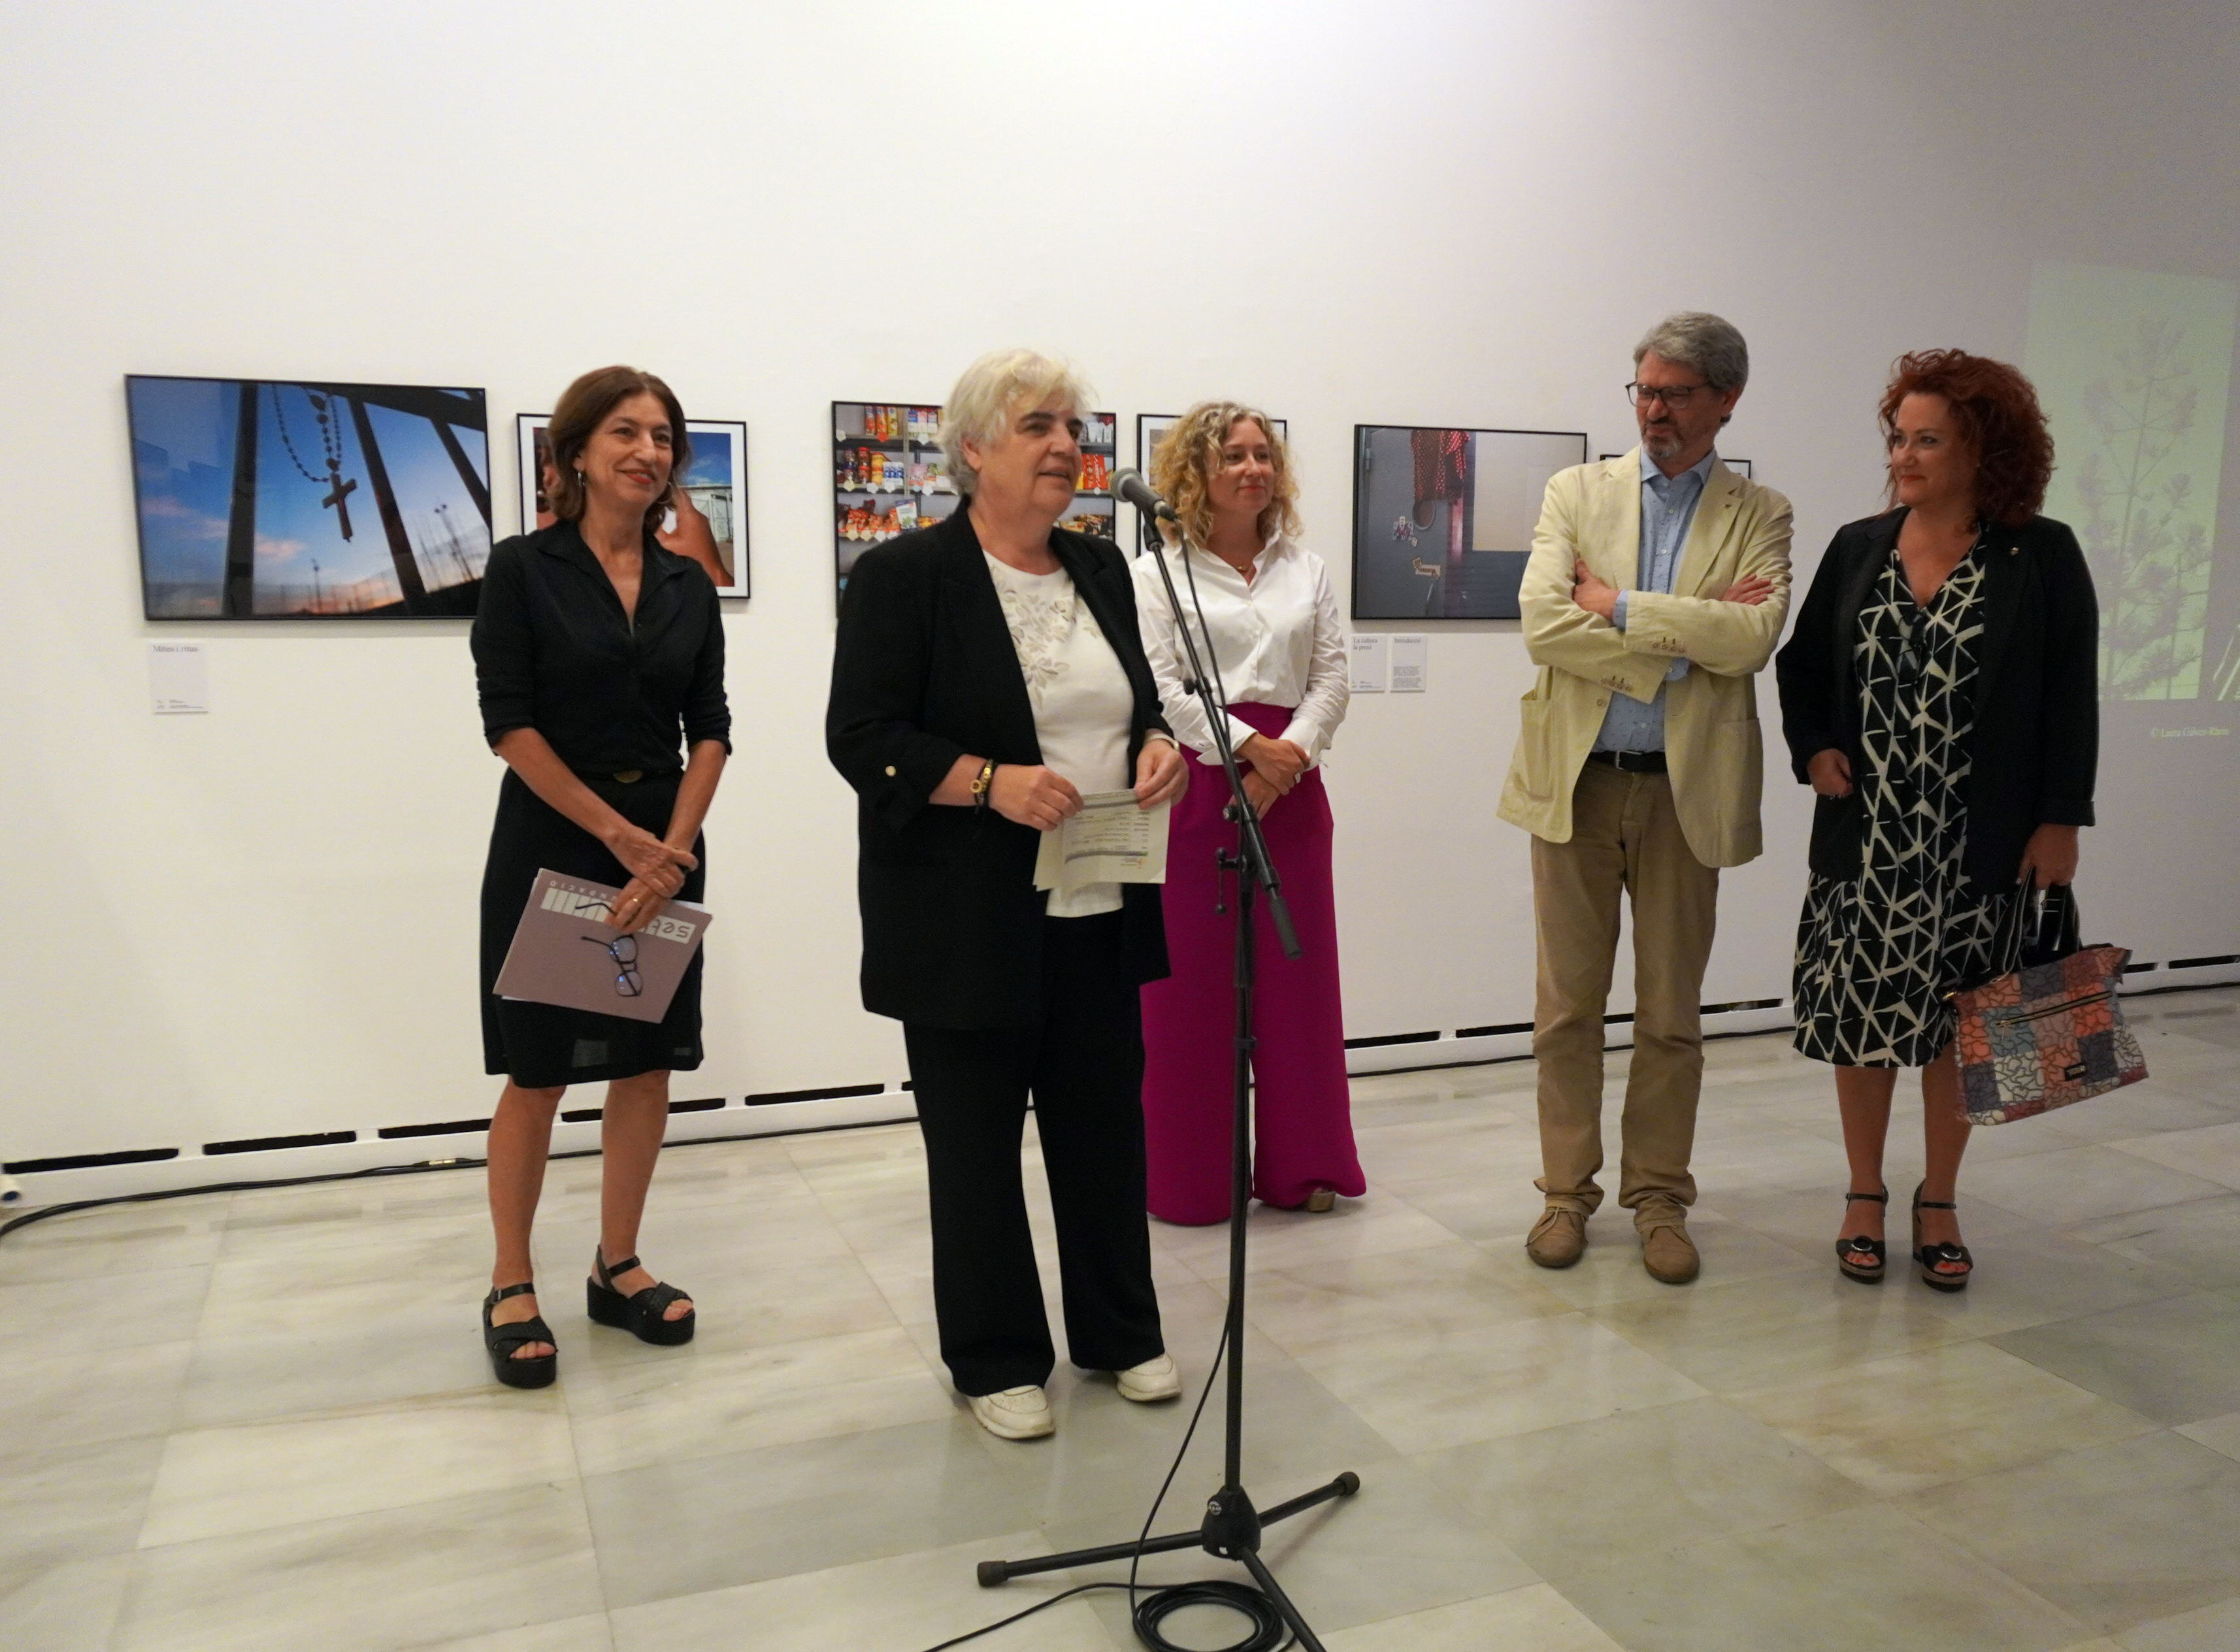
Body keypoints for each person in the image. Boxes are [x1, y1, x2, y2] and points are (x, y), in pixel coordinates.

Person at [825, 349, 1191, 1440]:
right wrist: (991, 783)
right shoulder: (905, 576)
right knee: (976, 1150)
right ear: (974, 449)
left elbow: (1139, 702)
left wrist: (1159, 744)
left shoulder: (1102, 567)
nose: (1066, 445)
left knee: (1103, 1132)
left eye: (1073, 427)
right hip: (963, 918)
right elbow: (862, 737)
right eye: (1038, 426)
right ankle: (993, 1355)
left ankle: (1119, 1332)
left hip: (1098, 899)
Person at [1777, 349, 2096, 1292]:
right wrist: (1814, 748)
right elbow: (1802, 667)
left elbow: (2069, 697)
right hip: (1868, 839)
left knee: (1966, 1026)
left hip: (1980, 841)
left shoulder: (2041, 555)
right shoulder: (1857, 546)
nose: (1902, 457)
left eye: (1927, 440)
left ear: (1982, 450)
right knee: (1862, 1019)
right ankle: (1863, 1192)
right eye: (1897, 438)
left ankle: (1940, 1200)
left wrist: (2061, 819)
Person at [1497, 311, 1794, 1284]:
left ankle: (1659, 1197)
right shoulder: (1576, 492)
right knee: (1565, 1010)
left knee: (1670, 1014)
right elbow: (1542, 625)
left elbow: (1752, 641)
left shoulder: (1760, 512)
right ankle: (1563, 1194)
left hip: (1684, 793)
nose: (1653, 410)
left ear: (1725, 400)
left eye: (1674, 394)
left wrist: (1618, 606)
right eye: (1644, 391)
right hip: (1576, 784)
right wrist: (1677, 646)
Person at [470, 366, 729, 1387]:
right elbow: (510, 726)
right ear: (574, 452)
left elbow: (711, 729)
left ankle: (617, 1266)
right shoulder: (522, 569)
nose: (647, 451)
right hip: (557, 842)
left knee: (645, 1064)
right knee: (537, 1072)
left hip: (664, 850)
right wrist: (623, 838)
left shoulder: (687, 584)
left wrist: (671, 850)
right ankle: (510, 1280)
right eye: (625, 432)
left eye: (662, 436)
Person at [1131, 403, 1363, 1224]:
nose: (1253, 468)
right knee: (1189, 995)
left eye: (1263, 454)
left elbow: (1331, 678)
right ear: (1195, 472)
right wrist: (1246, 750)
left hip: (1291, 790)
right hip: (1198, 786)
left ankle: (1303, 1167)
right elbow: (1161, 685)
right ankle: (1190, 1180)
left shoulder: (1307, 567)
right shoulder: (1156, 572)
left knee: (1297, 991)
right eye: (1232, 455)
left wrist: (1285, 756)